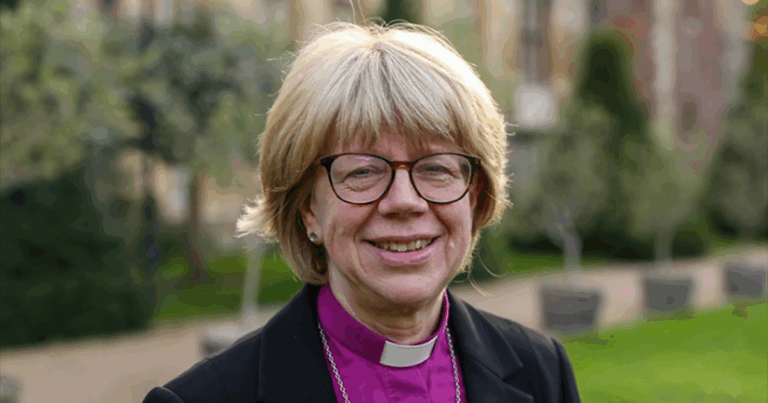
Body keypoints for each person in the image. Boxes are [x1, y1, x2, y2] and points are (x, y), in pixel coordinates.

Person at [143, 21, 581, 403]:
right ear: (307, 209)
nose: (405, 201)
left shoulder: (542, 372)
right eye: (364, 171)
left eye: (436, 168)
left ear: (475, 195)